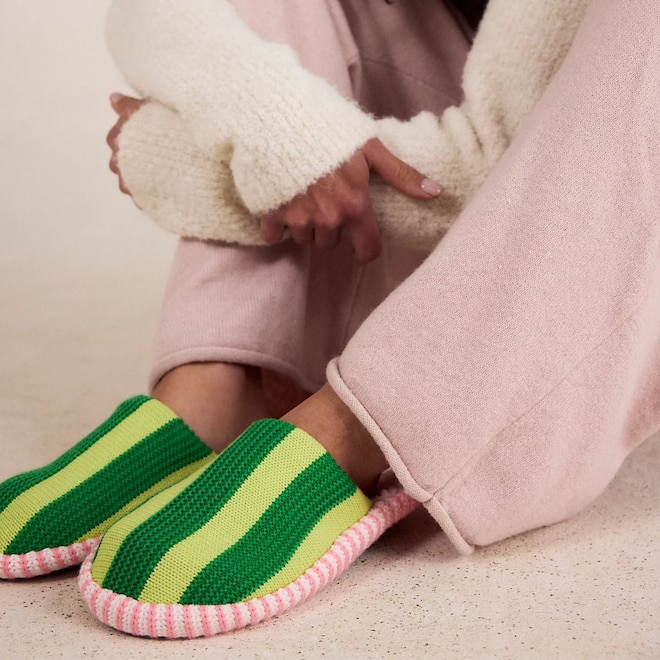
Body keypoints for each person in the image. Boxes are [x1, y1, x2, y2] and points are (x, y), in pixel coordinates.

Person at [2, 0, 658, 640]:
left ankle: (359, 431)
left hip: (582, 197)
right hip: (440, 116)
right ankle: (222, 381)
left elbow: (499, 175)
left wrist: (179, 157)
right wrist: (278, 124)